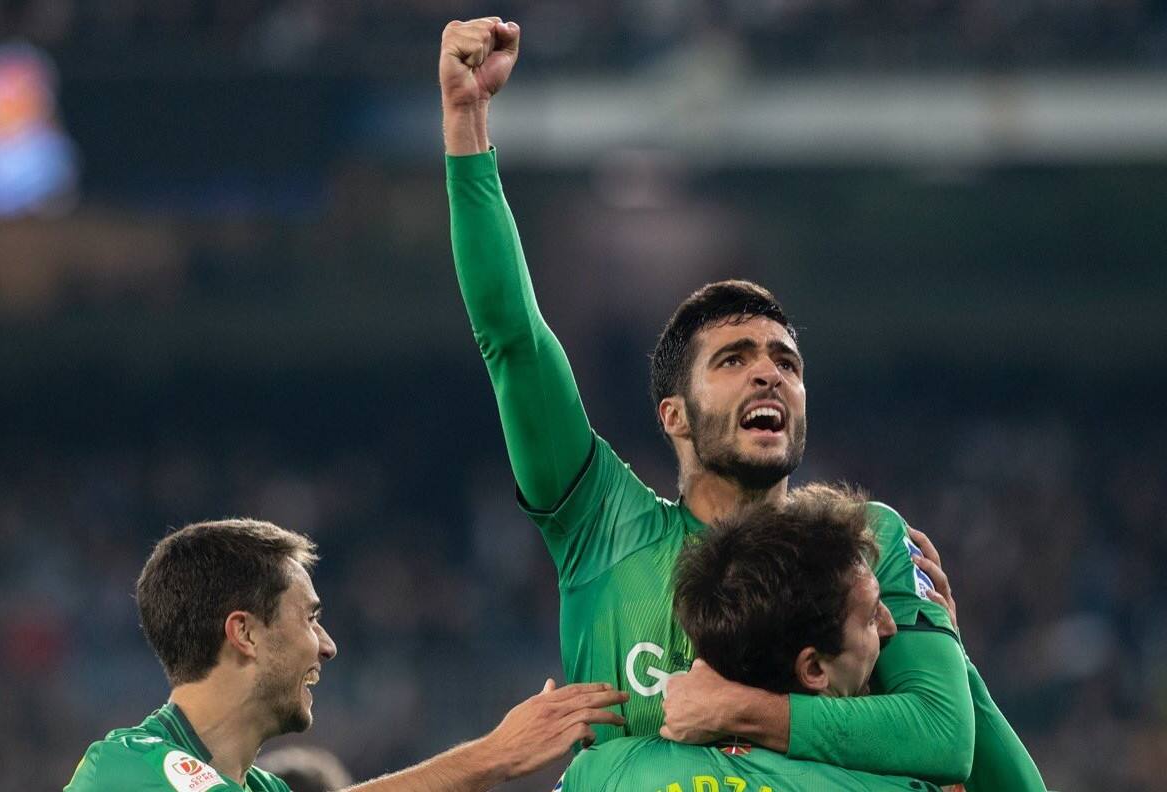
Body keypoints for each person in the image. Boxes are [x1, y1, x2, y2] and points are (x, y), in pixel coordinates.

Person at [440, 16, 1044, 791]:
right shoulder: (603, 529)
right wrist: (466, 125)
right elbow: (514, 340)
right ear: (675, 415)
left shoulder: (863, 545)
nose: (770, 375)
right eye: (734, 360)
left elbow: (944, 740)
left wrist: (747, 708)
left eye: (786, 362)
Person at [64, 519, 627, 792]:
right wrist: (492, 755)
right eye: (309, 618)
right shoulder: (126, 769)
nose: (328, 645)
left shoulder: (258, 787)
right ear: (245, 633)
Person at [561, 484, 946, 791]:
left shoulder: (602, 774)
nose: (890, 627)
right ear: (813, 668)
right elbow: (955, 747)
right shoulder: (896, 785)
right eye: (870, 617)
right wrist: (949, 647)